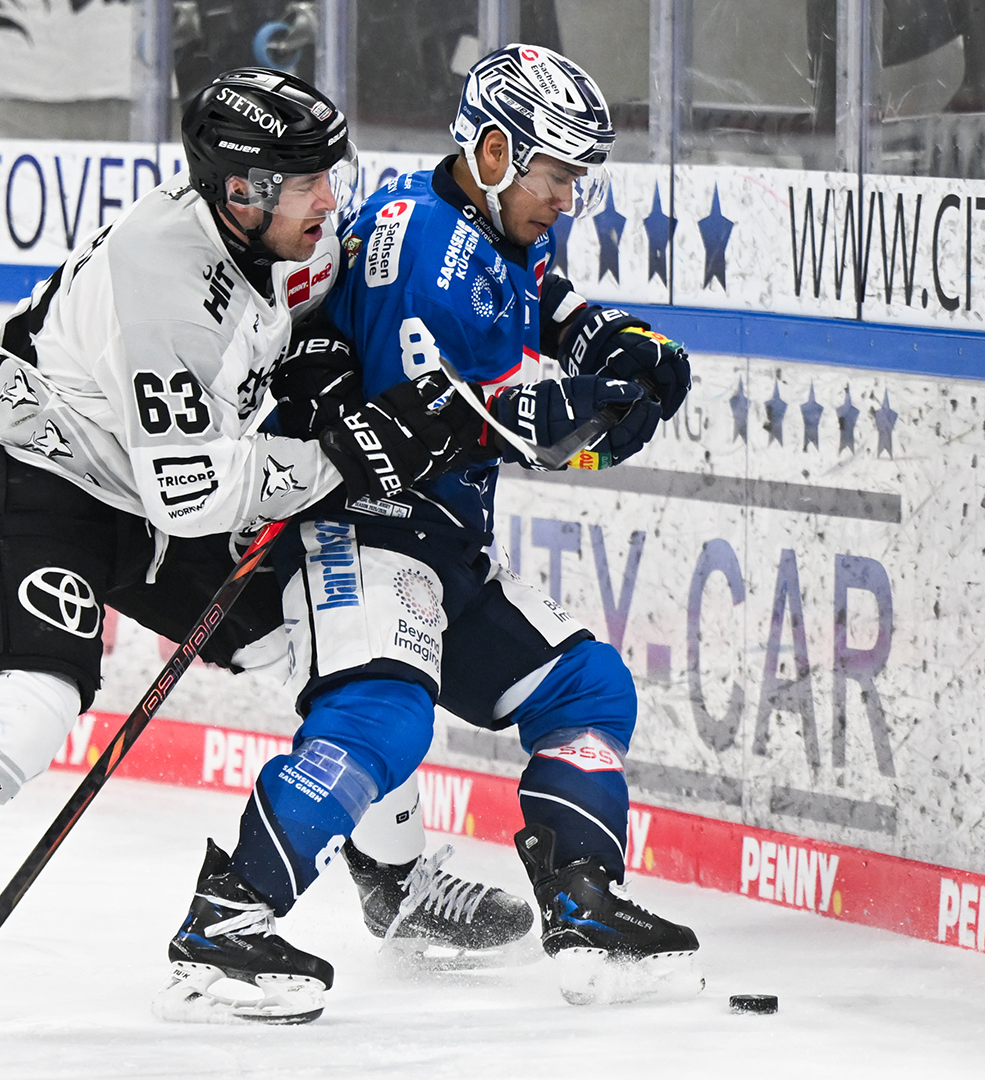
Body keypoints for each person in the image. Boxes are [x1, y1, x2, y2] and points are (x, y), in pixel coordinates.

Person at [0, 68, 524, 1039]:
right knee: (30, 702)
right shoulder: (163, 279)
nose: (331, 203)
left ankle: (395, 878)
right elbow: (202, 494)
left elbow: (293, 341)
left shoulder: (285, 232)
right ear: (241, 191)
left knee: (334, 646)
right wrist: (338, 449)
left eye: (327, 178)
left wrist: (317, 369)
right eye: (307, 185)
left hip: (146, 490)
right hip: (34, 480)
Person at [157, 44, 702, 1024]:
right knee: (384, 722)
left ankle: (580, 901)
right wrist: (589, 410)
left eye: (576, 178)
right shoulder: (423, 257)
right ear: (495, 150)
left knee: (586, 687)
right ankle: (226, 922)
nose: (565, 197)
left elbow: (534, 291)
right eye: (555, 174)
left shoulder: (469, 215)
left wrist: (610, 339)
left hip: (438, 542)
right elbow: (442, 418)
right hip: (364, 525)